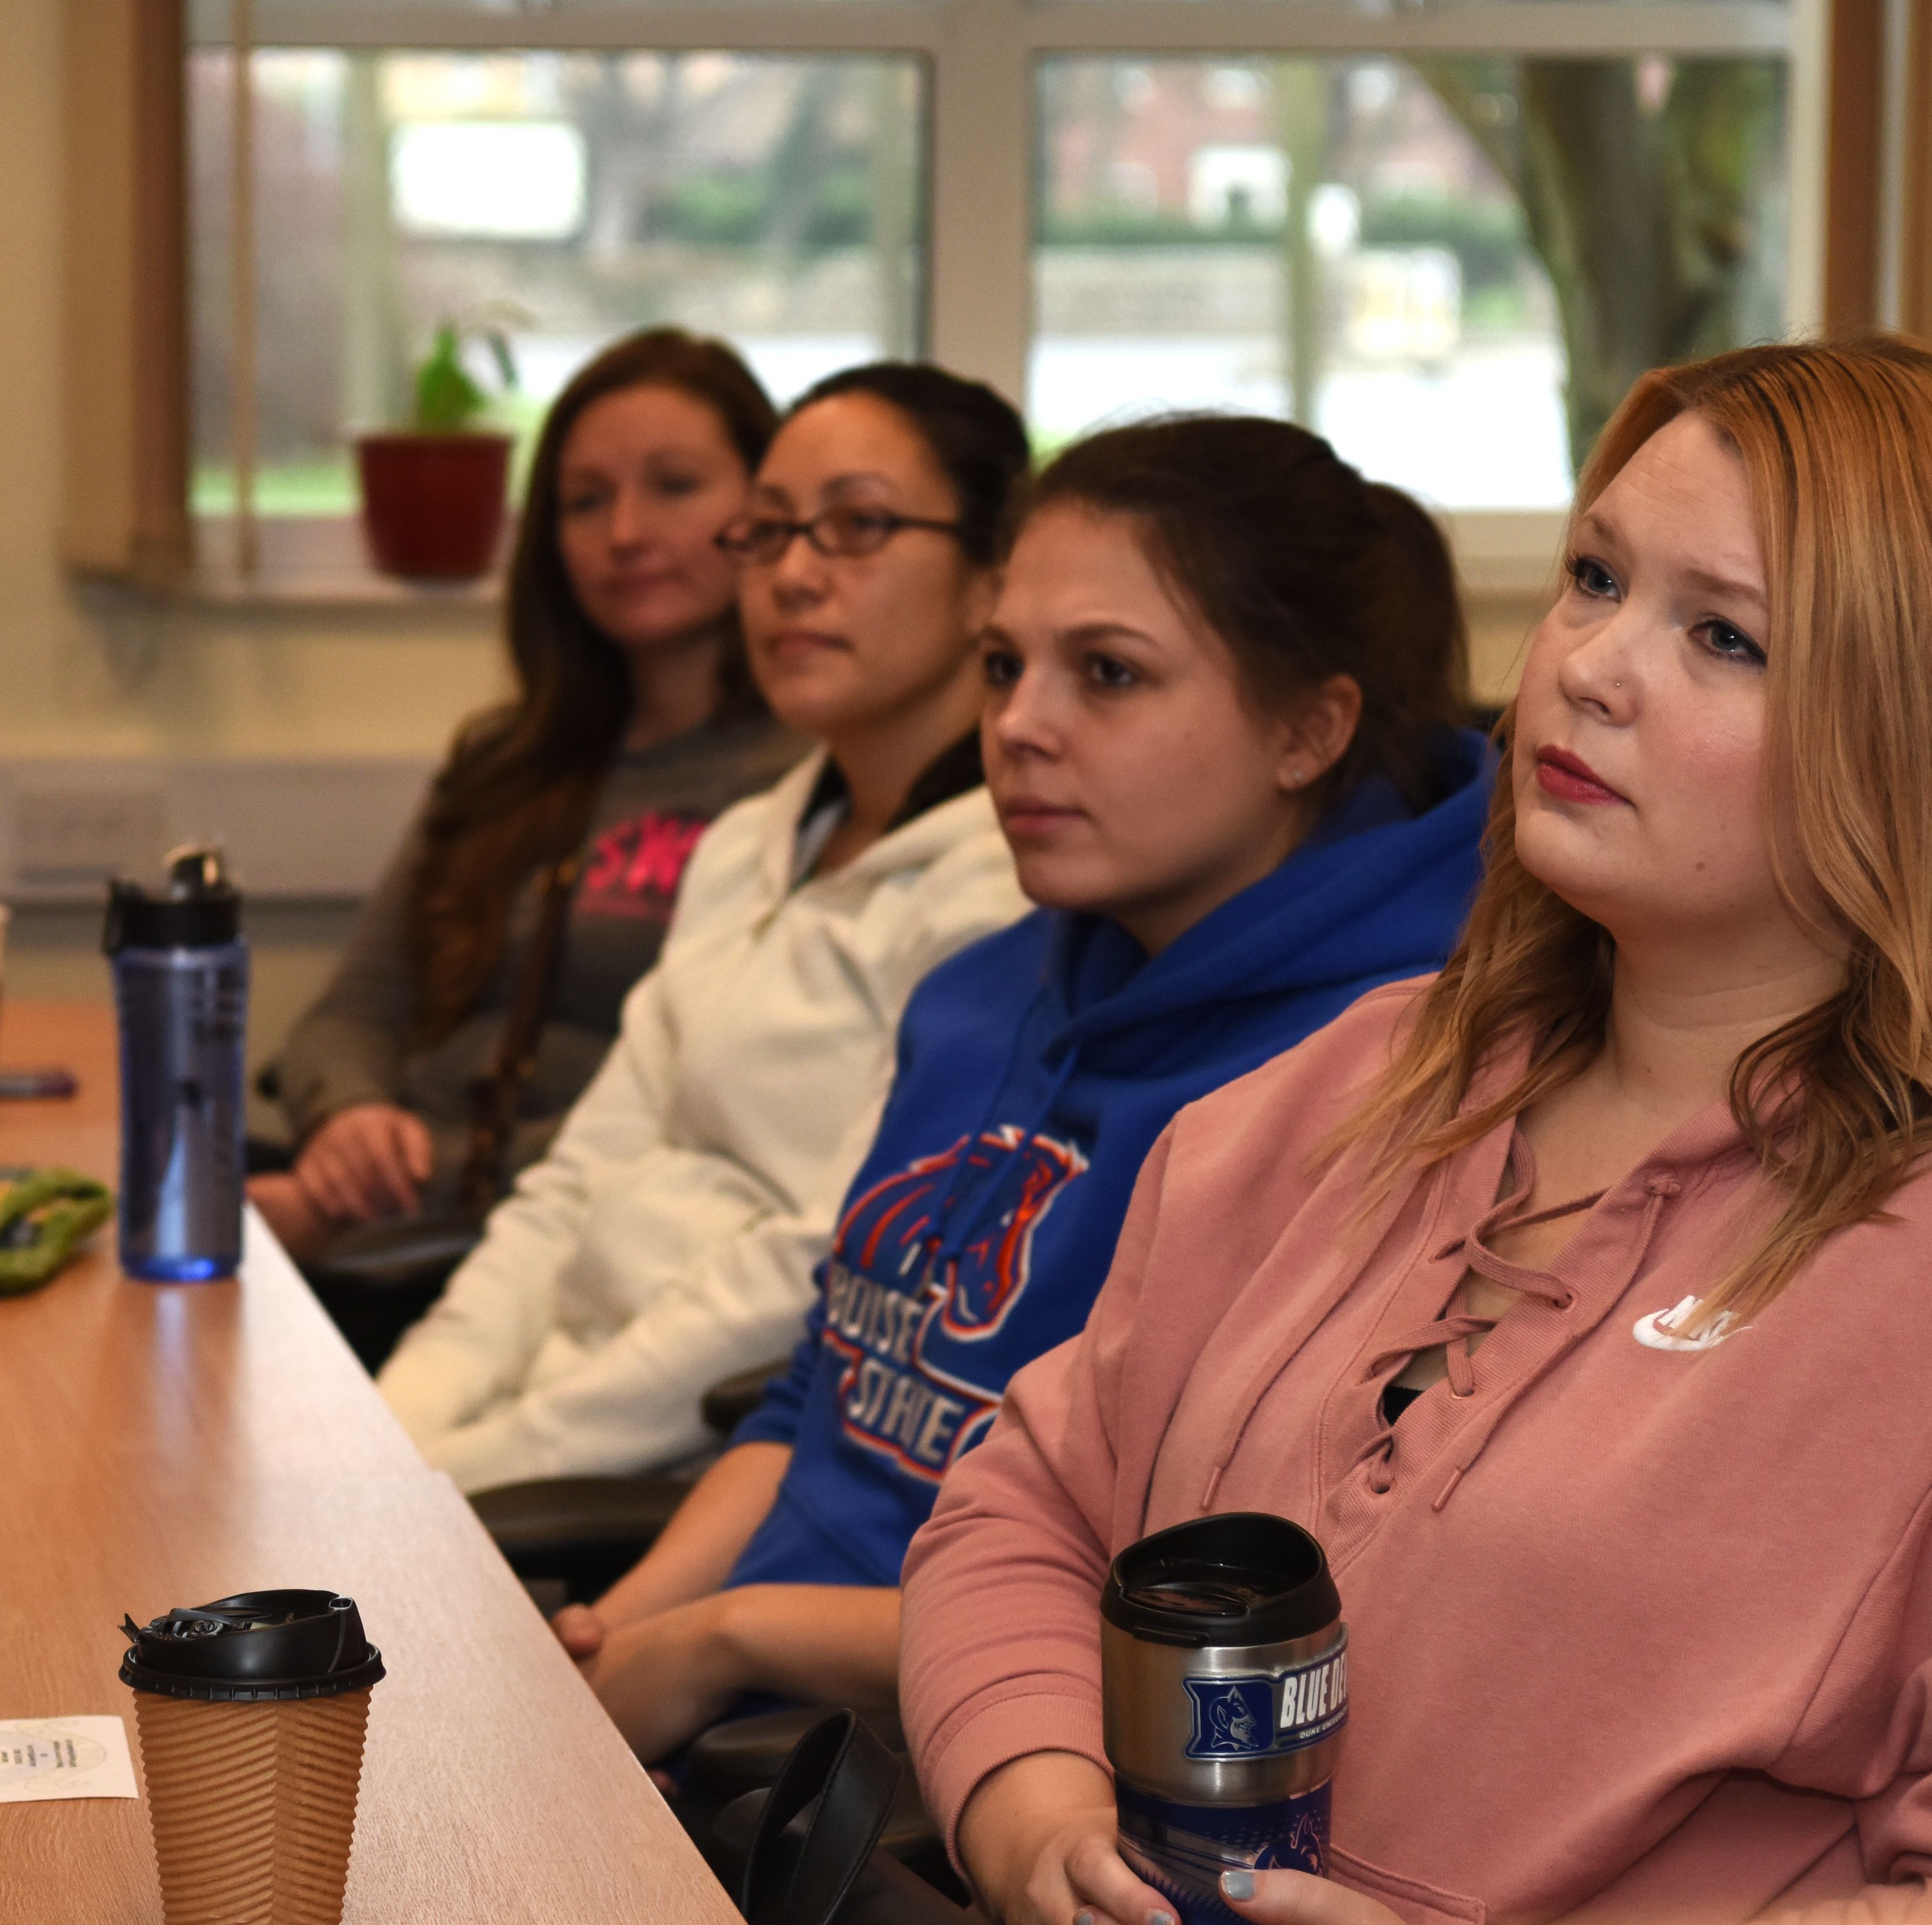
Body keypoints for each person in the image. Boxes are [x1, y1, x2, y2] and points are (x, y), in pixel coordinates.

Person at [901, 338, 1932, 1925]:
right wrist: (1035, 1808)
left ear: (1931, 732)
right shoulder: (1361, 1080)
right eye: (1591, 575)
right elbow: (1030, 1503)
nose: (1588, 664)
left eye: (1720, 633)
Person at [551, 415, 1495, 1762]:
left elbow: (1177, 1621)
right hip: (735, 1696)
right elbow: (823, 1388)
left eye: (1105, 674)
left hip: (949, 1772)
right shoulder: (983, 985)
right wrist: (611, 1638)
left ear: (1306, 730)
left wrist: (724, 1643)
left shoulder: (1357, 1081)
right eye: (1003, 665)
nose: (1016, 728)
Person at [376, 363, 1037, 1492]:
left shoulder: (1000, 889)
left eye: (857, 528)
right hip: (533, 1421)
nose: (792, 576)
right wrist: (394, 1427)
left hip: (692, 1470)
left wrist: (466, 1474)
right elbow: (573, 1185)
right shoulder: (746, 844)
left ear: (991, 582)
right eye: (769, 533)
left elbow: (817, 1271)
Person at [254, 330, 806, 1260]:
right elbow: (356, 1006)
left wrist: (412, 1181)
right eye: (585, 500)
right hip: (381, 1197)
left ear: (767, 513)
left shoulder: (806, 785)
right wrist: (350, 1116)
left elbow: (704, 1115)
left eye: (674, 486)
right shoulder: (503, 757)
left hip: (572, 1241)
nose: (625, 532)